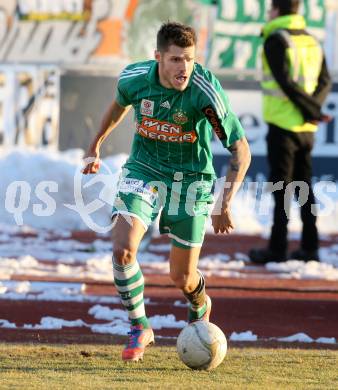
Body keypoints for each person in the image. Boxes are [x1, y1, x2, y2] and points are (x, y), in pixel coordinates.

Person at [83, 22, 251, 362]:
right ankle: (139, 325)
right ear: (158, 57)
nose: (184, 68)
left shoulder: (205, 91)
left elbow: (241, 150)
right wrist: (95, 145)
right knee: (123, 250)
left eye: (188, 59)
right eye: (175, 59)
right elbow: (119, 104)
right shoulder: (134, 78)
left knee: (182, 276)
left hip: (191, 179)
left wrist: (224, 203)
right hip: (143, 169)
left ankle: (200, 302)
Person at [249, 0, 332, 264]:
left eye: (270, 8)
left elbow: (285, 83)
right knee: (304, 187)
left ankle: (277, 248)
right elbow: (325, 81)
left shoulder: (276, 39)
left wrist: (311, 111)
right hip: (306, 129)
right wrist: (313, 110)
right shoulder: (311, 40)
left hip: (283, 126)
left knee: (281, 189)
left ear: (277, 10)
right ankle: (310, 246)